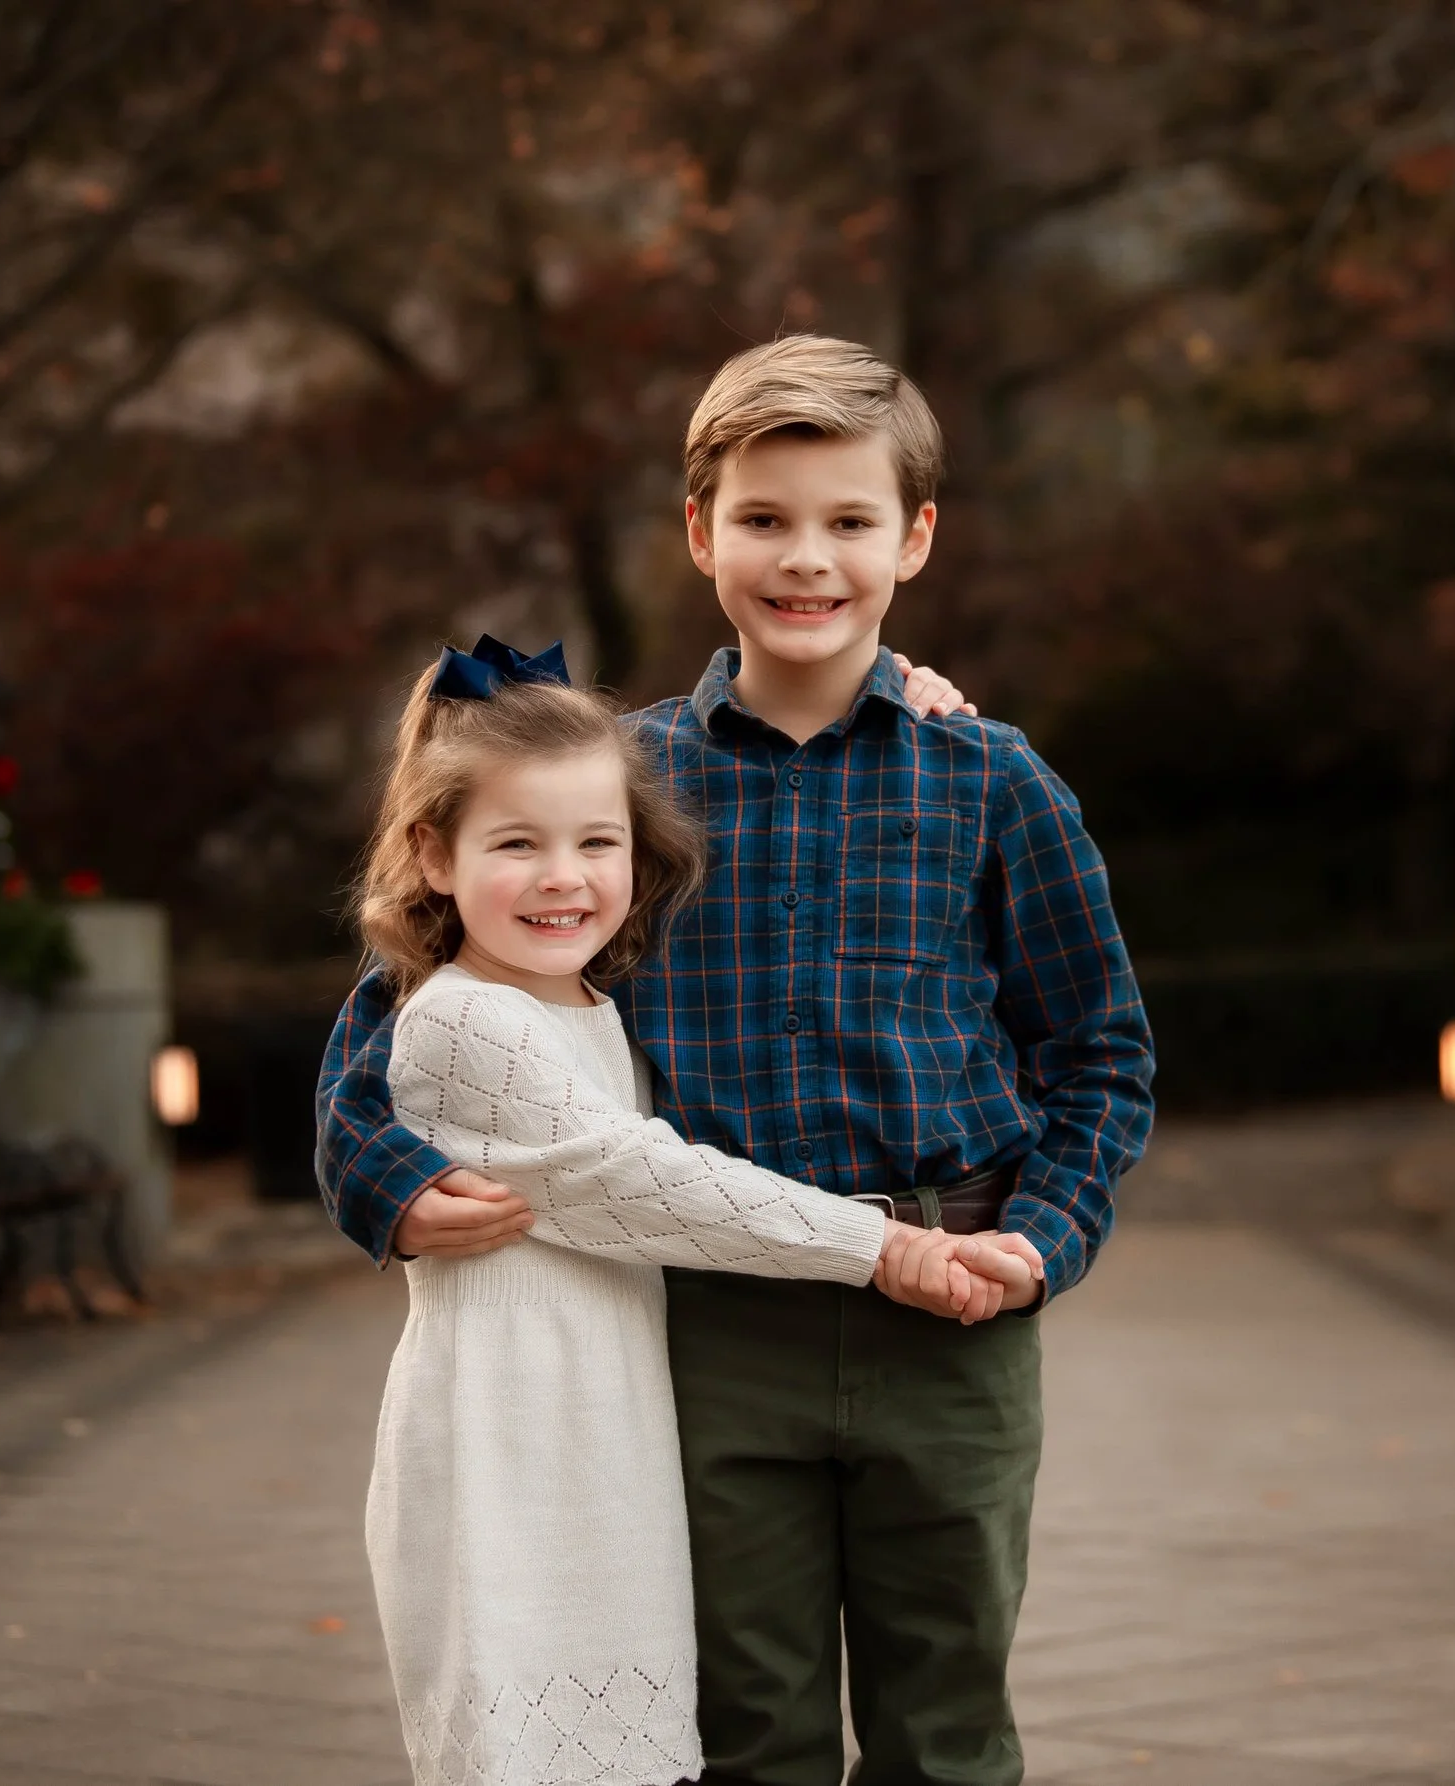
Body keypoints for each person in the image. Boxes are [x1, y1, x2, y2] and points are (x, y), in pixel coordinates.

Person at [320, 334, 1156, 1785]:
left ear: (915, 538)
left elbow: (1099, 1049)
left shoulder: (991, 778)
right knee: (746, 1730)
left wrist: (1046, 1235)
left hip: (947, 1310)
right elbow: (407, 987)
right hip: (708, 1326)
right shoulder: (622, 779)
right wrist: (378, 1172)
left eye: (850, 521)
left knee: (947, 1728)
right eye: (767, 519)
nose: (808, 558)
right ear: (702, 531)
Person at [357, 639, 1041, 1786]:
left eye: (595, 843)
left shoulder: (585, 1001)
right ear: (432, 853)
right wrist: (881, 1244)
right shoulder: (461, 1022)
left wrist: (911, 697)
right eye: (515, 844)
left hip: (611, 1427)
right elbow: (645, 1179)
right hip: (517, 1447)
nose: (562, 876)